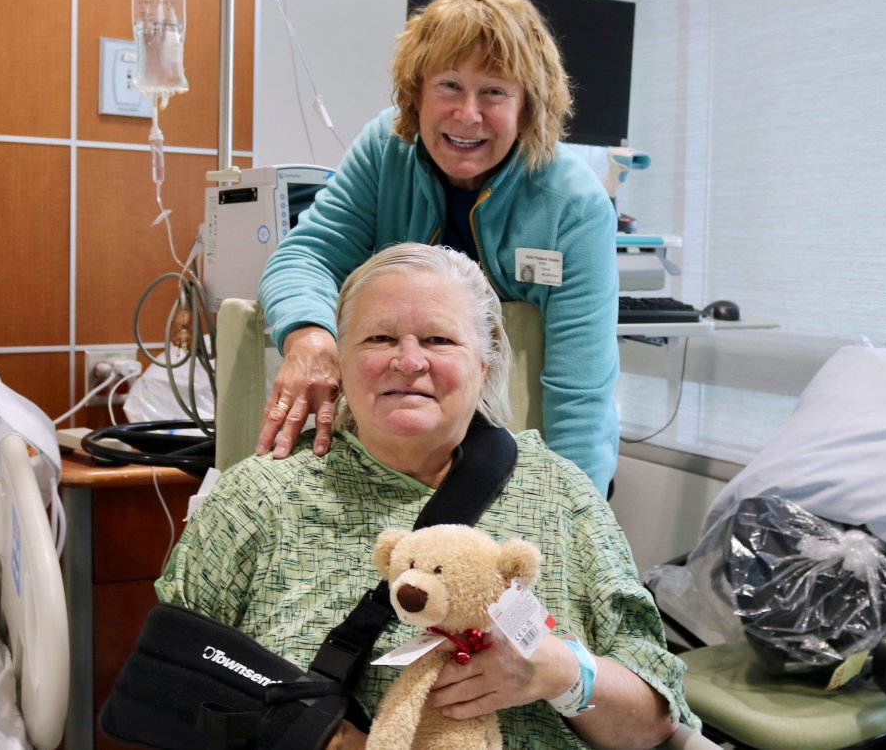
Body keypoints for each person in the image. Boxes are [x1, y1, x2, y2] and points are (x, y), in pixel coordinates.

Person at [159, 244, 695, 750]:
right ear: (340, 363)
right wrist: (310, 734)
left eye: (439, 340)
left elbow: (655, 723)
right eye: (379, 339)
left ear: (483, 365)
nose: (409, 361)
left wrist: (559, 672)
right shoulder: (259, 496)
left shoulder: (561, 493)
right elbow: (165, 683)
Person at [255, 0, 620, 495]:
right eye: (449, 85)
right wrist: (310, 335)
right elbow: (306, 256)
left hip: (509, 445)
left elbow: (580, 394)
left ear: (528, 108)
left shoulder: (574, 205)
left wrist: (572, 521)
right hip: (389, 448)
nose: (468, 114)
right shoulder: (386, 149)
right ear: (417, 92)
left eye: (494, 91)